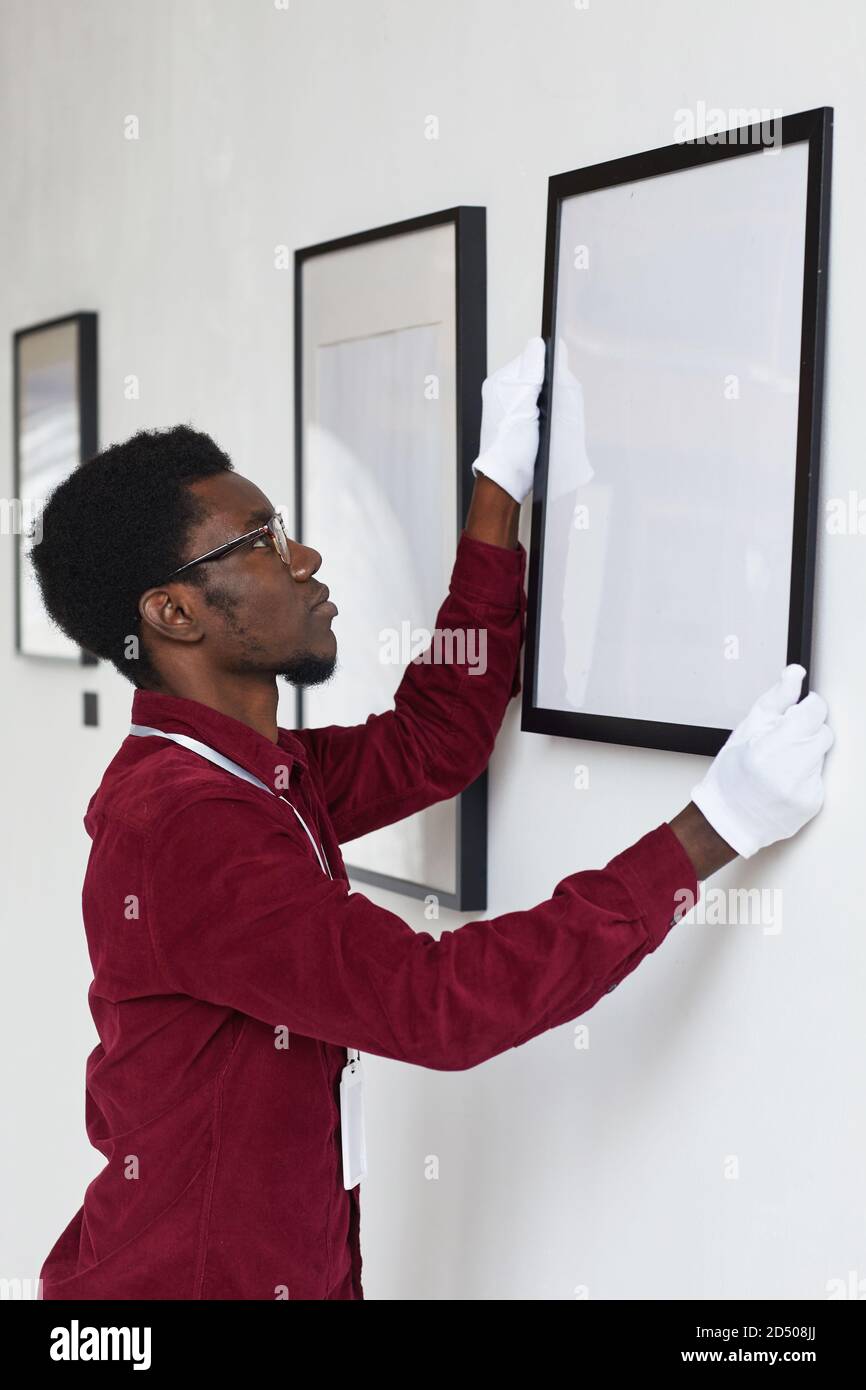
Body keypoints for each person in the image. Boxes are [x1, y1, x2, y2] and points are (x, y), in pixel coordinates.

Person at [31, 338, 833, 1301]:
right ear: (174, 613)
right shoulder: (188, 826)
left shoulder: (254, 777)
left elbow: (432, 739)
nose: (307, 556)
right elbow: (437, 1005)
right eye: (263, 540)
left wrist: (497, 491)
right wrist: (712, 830)